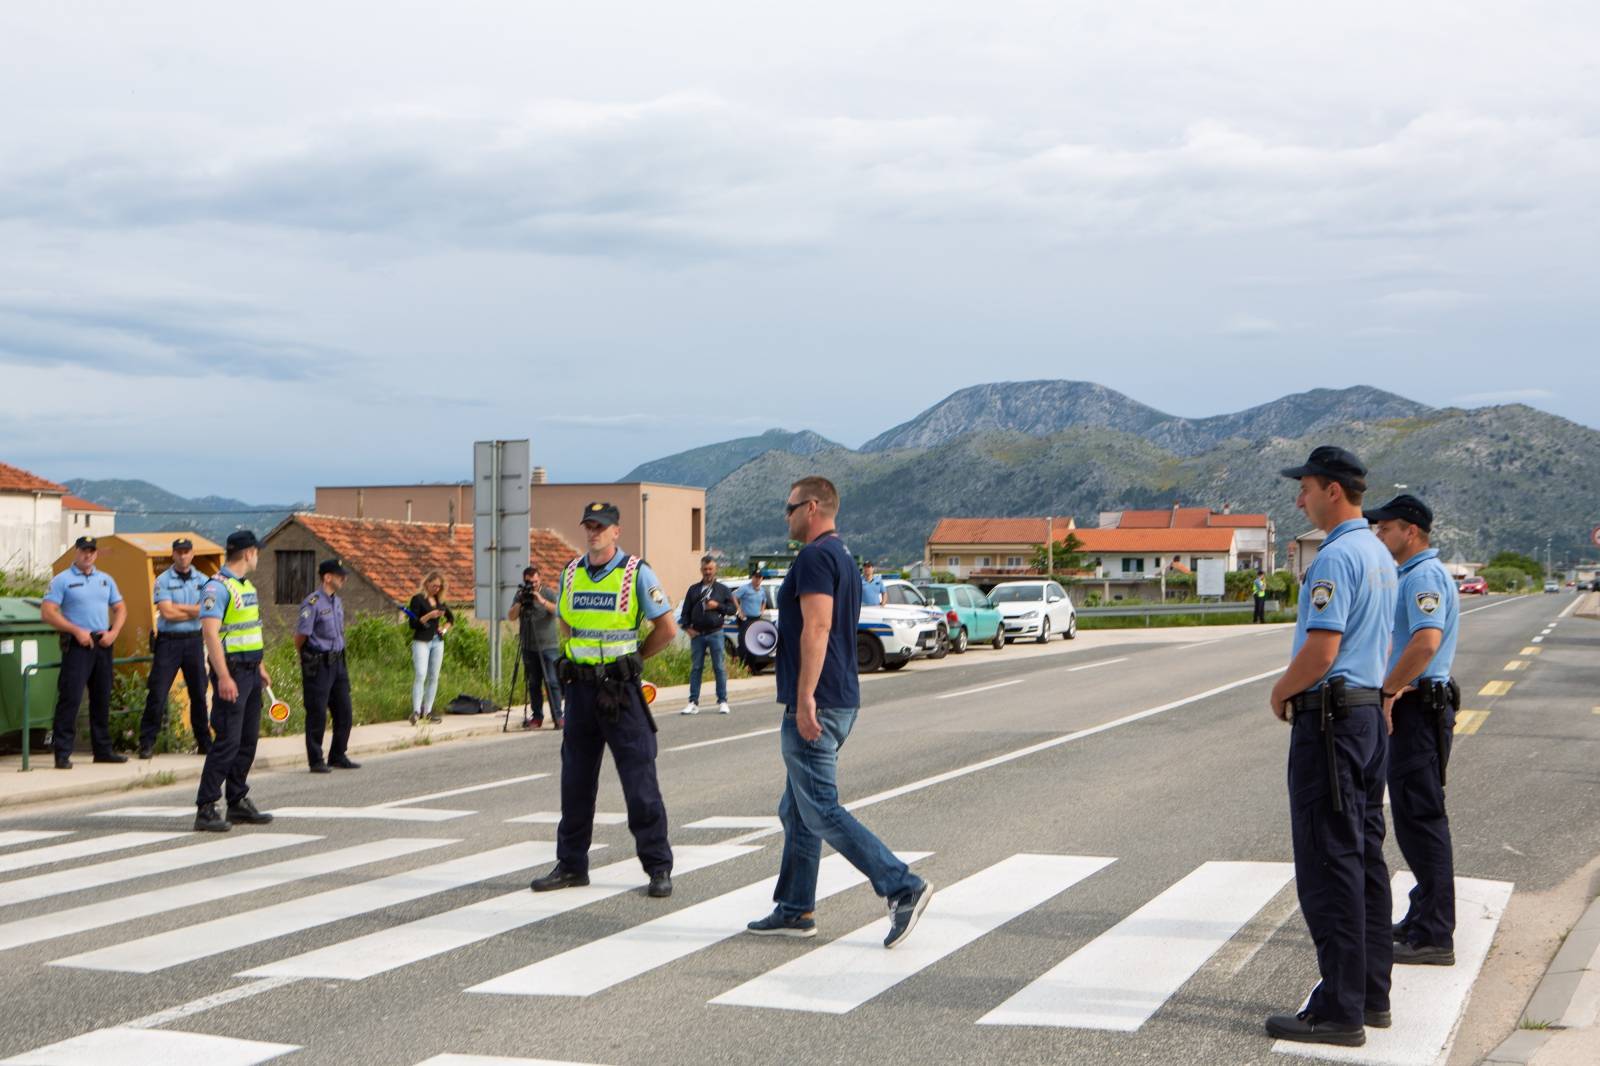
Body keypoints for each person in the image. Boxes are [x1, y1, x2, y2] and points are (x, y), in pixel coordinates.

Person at [746, 476, 931, 946]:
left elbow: (818, 627)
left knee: (822, 809)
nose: (784, 517)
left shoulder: (813, 557)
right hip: (841, 697)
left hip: (819, 701)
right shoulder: (842, 556)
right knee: (797, 809)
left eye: (788, 508)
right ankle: (794, 908)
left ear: (811, 507)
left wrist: (805, 697)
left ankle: (902, 886)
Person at [1265, 446, 1398, 1047]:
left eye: (1307, 488)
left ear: (1334, 492)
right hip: (1367, 716)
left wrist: (1280, 690)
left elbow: (1321, 651)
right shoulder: (1379, 553)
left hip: (1330, 723)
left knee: (1328, 863)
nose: (1300, 499)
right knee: (1364, 858)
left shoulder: (1336, 557)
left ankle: (1338, 1010)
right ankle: (1370, 994)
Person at [529, 501, 677, 899]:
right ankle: (572, 865)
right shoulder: (571, 572)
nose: (594, 532)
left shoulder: (636, 573)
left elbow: (667, 628)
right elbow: (566, 620)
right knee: (575, 781)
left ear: (617, 531)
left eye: (602, 526)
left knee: (639, 782)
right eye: (589, 525)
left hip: (620, 690)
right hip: (580, 690)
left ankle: (658, 866)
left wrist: (636, 659)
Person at [1366, 493, 1460, 967]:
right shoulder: (1410, 575)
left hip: (1418, 707)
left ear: (1411, 531)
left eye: (1385, 528)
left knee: (1422, 819)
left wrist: (1387, 690)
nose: (1379, 535)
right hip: (1416, 705)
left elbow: (1425, 643)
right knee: (1412, 816)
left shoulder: (1423, 575)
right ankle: (1424, 915)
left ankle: (1435, 934)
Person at [193, 530, 274, 831]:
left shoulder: (247, 586)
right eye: (257, 551)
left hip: (251, 670)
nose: (258, 556)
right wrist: (224, 676)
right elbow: (210, 633)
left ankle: (237, 801)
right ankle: (206, 807)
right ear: (248, 553)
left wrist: (261, 666)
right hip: (233, 672)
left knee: (247, 741)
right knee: (227, 740)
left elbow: (251, 629)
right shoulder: (217, 587)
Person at [40, 536, 127, 769]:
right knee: (71, 698)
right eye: (83, 551)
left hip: (102, 643)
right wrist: (75, 630)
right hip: (78, 644)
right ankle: (62, 753)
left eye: (91, 551)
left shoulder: (105, 580)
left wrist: (114, 632)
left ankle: (103, 750)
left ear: (96, 553)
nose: (88, 555)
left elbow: (120, 608)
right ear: (76, 552)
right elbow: (48, 612)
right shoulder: (63, 580)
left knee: (102, 698)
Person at [138, 537, 212, 759]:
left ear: (192, 554)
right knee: (158, 694)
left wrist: (179, 607)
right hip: (168, 642)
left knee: (198, 693)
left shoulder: (204, 580)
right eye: (178, 552)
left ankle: (204, 742)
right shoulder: (163, 580)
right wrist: (193, 609)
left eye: (186, 552)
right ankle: (146, 743)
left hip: (193, 641)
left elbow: (206, 610)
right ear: (173, 554)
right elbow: (167, 613)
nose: (182, 555)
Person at [297, 559, 358, 773]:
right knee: (317, 713)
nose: (344, 578)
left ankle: (338, 754)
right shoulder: (312, 603)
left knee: (344, 711)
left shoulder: (337, 602)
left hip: (338, 661)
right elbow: (301, 636)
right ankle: (316, 759)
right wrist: (306, 657)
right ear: (327, 577)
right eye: (339, 575)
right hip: (319, 663)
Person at [508, 563, 562, 729]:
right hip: (528, 646)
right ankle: (537, 716)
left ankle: (558, 716)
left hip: (549, 646)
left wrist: (541, 600)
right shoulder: (520, 595)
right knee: (533, 683)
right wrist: (521, 602)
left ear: (540, 580)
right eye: (529, 582)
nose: (532, 585)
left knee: (552, 681)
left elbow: (559, 611)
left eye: (535, 582)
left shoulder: (548, 593)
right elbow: (511, 616)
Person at [679, 554, 734, 715]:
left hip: (716, 633)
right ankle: (693, 702)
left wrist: (717, 605)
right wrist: (687, 629)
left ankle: (723, 700)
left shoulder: (722, 590)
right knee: (696, 668)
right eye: (705, 569)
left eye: (710, 569)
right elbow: (684, 614)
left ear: (715, 570)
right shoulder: (693, 589)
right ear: (701, 570)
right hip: (697, 635)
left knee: (719, 667)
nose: (707, 572)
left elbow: (732, 610)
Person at [406, 571, 454, 726]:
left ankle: (427, 710)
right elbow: (413, 624)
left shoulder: (440, 602)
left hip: (437, 641)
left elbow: (450, 619)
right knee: (421, 674)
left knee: (434, 676)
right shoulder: (418, 600)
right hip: (421, 640)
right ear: (427, 584)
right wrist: (429, 616)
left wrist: (444, 629)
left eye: (439, 587)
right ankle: (416, 711)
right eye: (434, 586)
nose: (436, 589)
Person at [735, 569, 767, 668]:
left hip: (756, 618)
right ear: (752, 577)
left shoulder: (762, 590)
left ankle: (751, 667)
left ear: (762, 579)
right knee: (744, 643)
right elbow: (734, 596)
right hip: (746, 619)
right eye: (756, 577)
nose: (757, 579)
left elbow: (764, 600)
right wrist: (739, 610)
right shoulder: (745, 588)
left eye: (759, 577)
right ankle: (742, 666)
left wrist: (762, 610)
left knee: (754, 644)